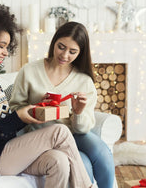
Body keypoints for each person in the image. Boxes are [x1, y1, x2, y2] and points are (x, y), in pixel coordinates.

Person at [0, 3, 95, 188]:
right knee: (60, 132)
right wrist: (17, 118)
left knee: (59, 161)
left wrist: (35, 108)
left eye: (7, 47)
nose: (6, 52)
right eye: (1, 46)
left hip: (8, 150)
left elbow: (3, 122)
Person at [9, 21, 115, 188]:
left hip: (72, 135)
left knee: (100, 150)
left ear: (80, 53)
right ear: (54, 42)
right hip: (40, 136)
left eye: (72, 52)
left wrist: (78, 113)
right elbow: (14, 110)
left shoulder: (84, 81)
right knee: (84, 164)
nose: (64, 55)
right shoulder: (29, 71)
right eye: (61, 47)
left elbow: (82, 129)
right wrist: (38, 109)